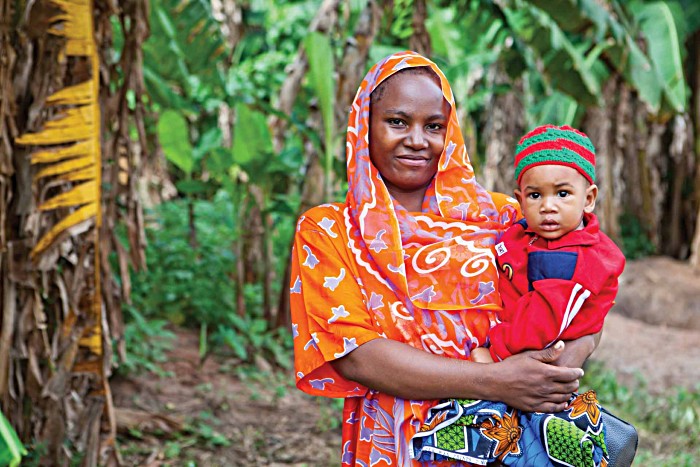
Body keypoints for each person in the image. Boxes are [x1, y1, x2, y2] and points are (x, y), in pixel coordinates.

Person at [289, 52, 598, 466]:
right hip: (397, 439)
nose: (418, 140)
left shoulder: (507, 217)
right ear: (365, 123)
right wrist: (496, 381)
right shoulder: (330, 230)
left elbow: (586, 301)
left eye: (434, 126)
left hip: (512, 436)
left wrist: (550, 376)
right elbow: (356, 355)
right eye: (398, 122)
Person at [410, 125, 625, 466]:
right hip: (531, 363)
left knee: (514, 444)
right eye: (535, 195)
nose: (548, 207)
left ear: (589, 198)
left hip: (535, 360)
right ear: (519, 197)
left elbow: (544, 320)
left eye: (563, 194)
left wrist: (495, 355)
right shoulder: (539, 238)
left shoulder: (572, 258)